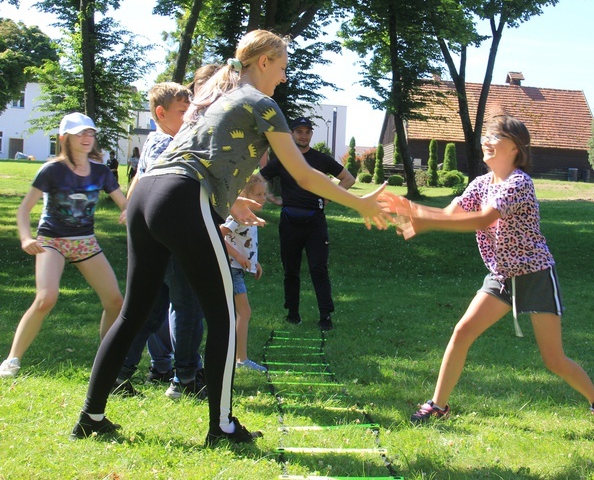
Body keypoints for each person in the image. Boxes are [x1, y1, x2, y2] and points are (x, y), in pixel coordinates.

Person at [70, 29, 390, 446]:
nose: (284, 77)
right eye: (282, 67)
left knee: (132, 314)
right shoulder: (262, 103)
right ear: (263, 63)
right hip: (182, 195)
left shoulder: (215, 97)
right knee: (222, 315)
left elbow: (206, 155)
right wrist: (359, 202)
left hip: (148, 193)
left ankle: (90, 417)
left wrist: (232, 201)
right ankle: (222, 427)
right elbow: (303, 173)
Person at [379, 115, 594, 432]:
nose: (486, 141)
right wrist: (408, 212)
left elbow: (483, 219)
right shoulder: (481, 184)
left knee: (553, 359)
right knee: (462, 332)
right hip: (500, 276)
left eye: (494, 136)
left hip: (534, 275)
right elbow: (450, 214)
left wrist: (423, 218)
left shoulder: (519, 183)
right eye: (486, 135)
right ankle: (438, 406)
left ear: (514, 146)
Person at [0, 113, 127, 378]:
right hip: (52, 242)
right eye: (80, 133)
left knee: (115, 301)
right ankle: (12, 360)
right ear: (64, 139)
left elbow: (125, 205)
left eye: (90, 133)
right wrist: (25, 238)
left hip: (85, 243)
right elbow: (24, 210)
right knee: (46, 298)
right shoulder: (51, 170)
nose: (86, 138)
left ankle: (104, 362)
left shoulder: (102, 172)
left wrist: (129, 212)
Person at [115, 82, 202, 397]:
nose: (190, 117)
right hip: (173, 239)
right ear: (161, 113)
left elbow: (140, 180)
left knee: (150, 311)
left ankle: (119, 374)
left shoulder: (154, 141)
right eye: (183, 112)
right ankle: (185, 380)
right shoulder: (168, 143)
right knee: (188, 306)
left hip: (155, 239)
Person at [260, 117, 355, 330]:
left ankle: (325, 317)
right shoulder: (284, 159)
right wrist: (270, 197)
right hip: (289, 221)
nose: (303, 135)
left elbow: (348, 179)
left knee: (318, 269)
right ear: (292, 134)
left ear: (311, 134)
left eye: (307, 132)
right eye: (299, 132)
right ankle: (292, 314)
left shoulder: (321, 159)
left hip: (315, 222)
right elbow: (259, 178)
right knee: (290, 270)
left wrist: (329, 198)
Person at [221, 174, 267, 372]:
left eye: (264, 194)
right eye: (258, 194)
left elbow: (245, 242)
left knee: (237, 313)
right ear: (245, 196)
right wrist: (238, 257)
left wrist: (254, 263)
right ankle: (242, 359)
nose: (262, 198)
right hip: (231, 269)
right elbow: (218, 236)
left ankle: (237, 356)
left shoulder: (249, 215)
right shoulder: (237, 216)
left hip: (238, 269)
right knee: (244, 312)